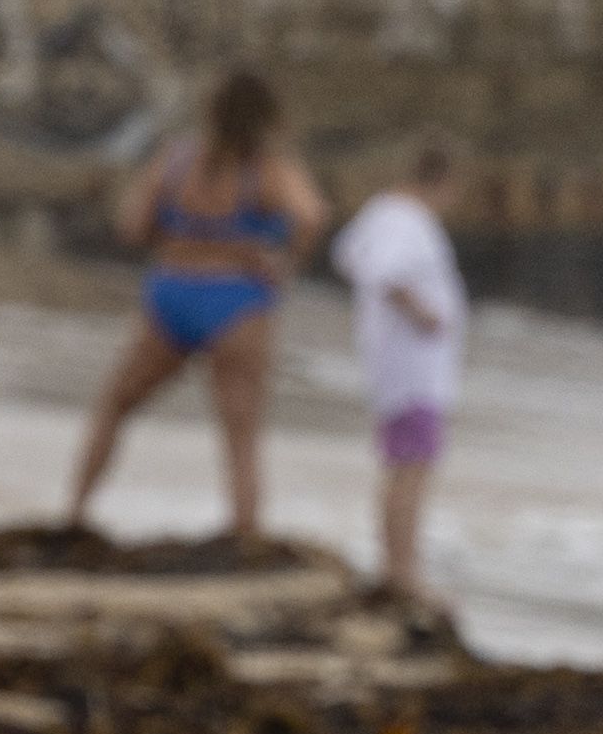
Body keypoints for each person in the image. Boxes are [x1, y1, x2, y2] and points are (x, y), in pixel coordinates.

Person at [62, 69, 325, 548]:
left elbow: (132, 224)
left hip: (172, 292)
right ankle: (245, 534)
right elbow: (310, 215)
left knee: (115, 406)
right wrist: (283, 264)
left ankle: (76, 510)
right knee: (241, 436)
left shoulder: (179, 158)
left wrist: (181, 236)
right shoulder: (267, 167)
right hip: (237, 301)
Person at [327, 144, 472, 602]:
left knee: (400, 466)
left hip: (391, 362)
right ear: (442, 181)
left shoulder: (382, 211)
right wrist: (423, 314)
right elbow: (382, 273)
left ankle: (396, 566)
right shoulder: (409, 220)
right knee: (413, 468)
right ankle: (403, 573)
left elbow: (346, 255)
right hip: (413, 367)